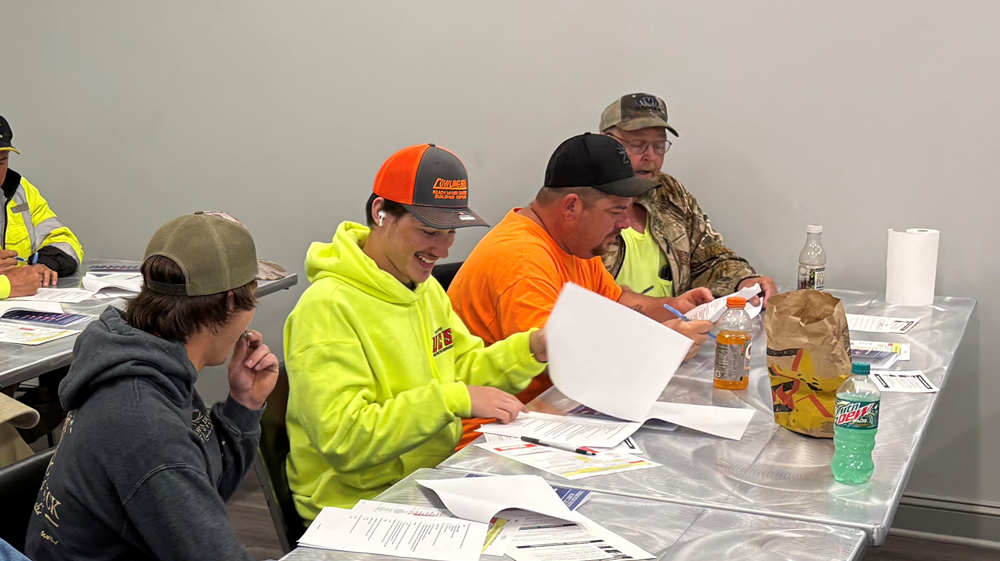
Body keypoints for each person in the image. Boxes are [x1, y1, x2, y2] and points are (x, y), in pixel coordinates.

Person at [284, 144, 548, 520]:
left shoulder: (422, 289)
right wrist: (452, 400)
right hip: (358, 508)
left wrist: (532, 348)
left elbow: (463, 368)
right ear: (381, 213)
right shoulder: (327, 308)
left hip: (431, 484)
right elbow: (344, 439)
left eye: (451, 233)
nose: (441, 249)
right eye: (428, 231)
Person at [25, 212, 279, 561]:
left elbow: (200, 490)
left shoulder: (150, 360)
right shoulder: (145, 420)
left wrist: (243, 405)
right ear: (232, 300)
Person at [448, 133, 714, 447]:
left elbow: (617, 301)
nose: (627, 223)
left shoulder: (576, 244)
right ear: (572, 207)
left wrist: (675, 306)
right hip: (489, 434)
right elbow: (567, 365)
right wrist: (663, 346)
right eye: (616, 212)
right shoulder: (520, 260)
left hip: (550, 414)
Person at [598, 93, 777, 304]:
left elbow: (710, 259)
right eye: (637, 144)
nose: (650, 156)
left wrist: (744, 281)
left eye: (659, 146)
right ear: (605, 142)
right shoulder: (585, 200)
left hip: (675, 329)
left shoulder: (670, 193)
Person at [0, 115, 83, 296]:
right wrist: (6, 286)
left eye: (1, 161)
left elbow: (65, 241)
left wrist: (44, 264)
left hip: (23, 313)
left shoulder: (20, 191)